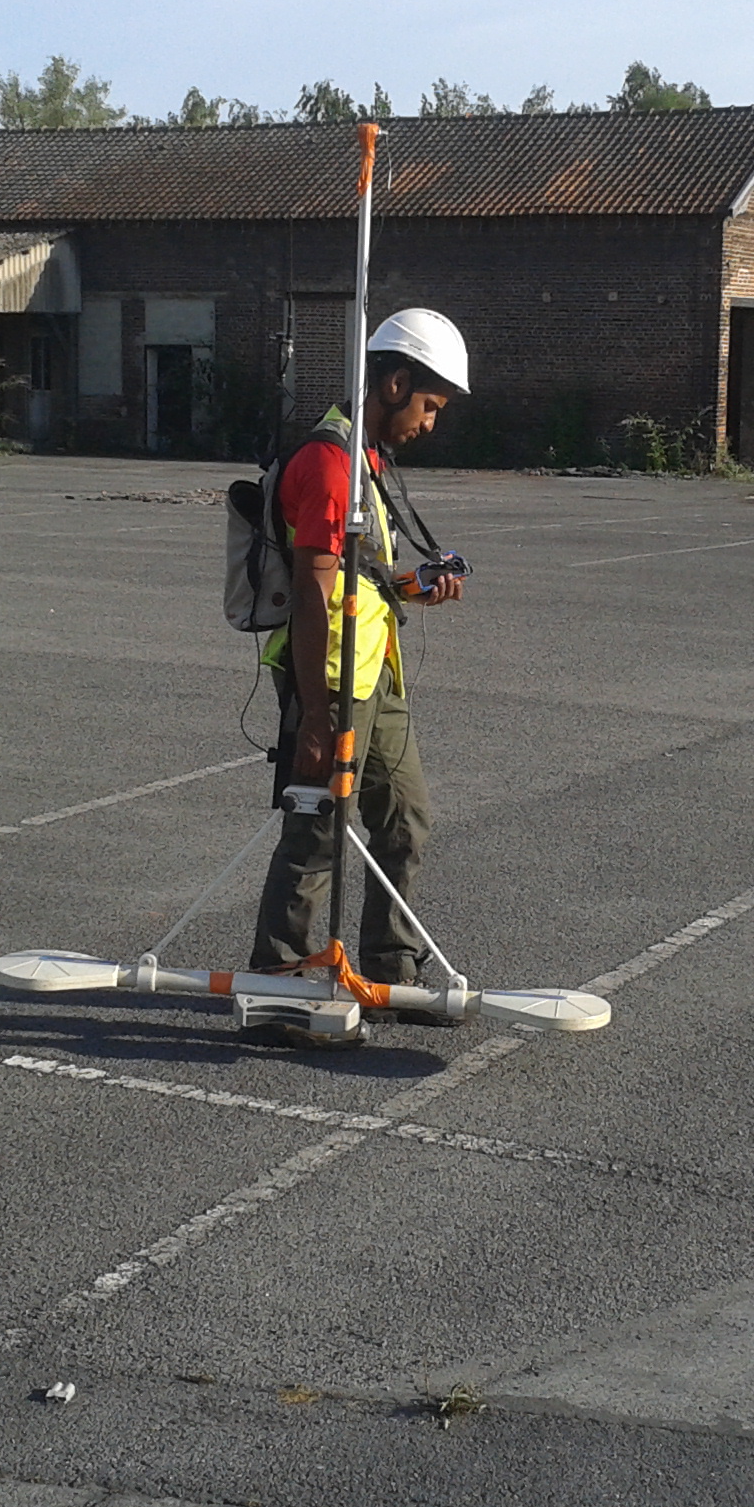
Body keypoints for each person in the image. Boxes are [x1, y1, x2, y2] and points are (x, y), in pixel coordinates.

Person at [249, 309, 469, 1009]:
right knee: (316, 829)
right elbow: (314, 590)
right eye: (429, 406)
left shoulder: (367, 461)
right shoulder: (328, 462)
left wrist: (412, 587)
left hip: (376, 672)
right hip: (332, 683)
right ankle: (278, 982)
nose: (430, 424)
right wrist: (315, 713)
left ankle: (391, 971)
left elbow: (355, 576)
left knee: (404, 818)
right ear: (396, 382)